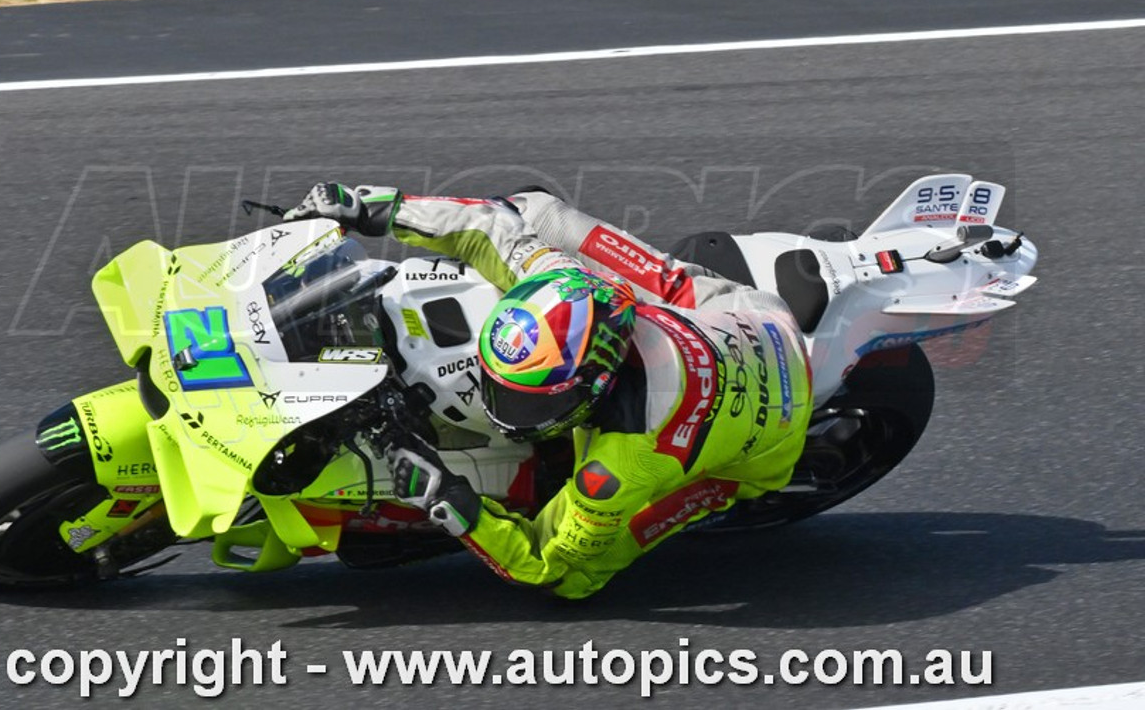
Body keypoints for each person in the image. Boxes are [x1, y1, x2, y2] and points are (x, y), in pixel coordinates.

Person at [284, 182, 814, 599]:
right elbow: (485, 225)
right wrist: (366, 206)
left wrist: (449, 500)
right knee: (529, 210)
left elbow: (545, 565)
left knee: (583, 575)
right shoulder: (566, 283)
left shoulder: (622, 464)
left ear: (594, 386)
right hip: (741, 313)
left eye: (532, 400)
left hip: (768, 438)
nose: (505, 409)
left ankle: (728, 486)